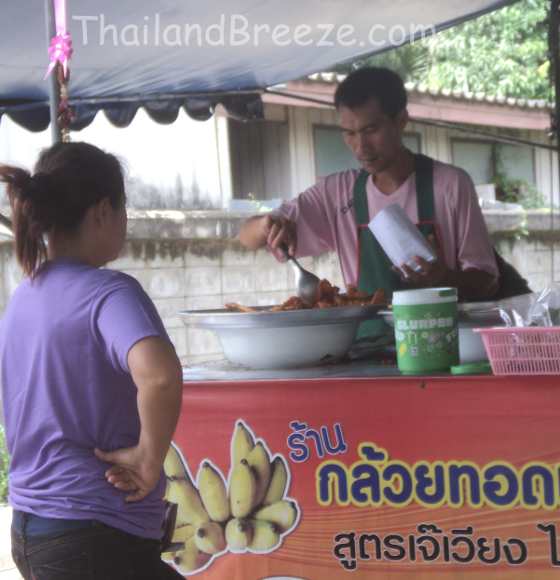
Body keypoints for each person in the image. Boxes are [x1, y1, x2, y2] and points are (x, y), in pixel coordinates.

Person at [0, 142, 184, 579]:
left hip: (33, 530)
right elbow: (158, 377)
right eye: (124, 208)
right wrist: (148, 458)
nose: (125, 221)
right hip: (93, 530)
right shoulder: (109, 292)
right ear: (103, 210)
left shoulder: (24, 296)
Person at [239, 67, 524, 303]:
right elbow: (246, 236)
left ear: (401, 121)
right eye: (349, 133)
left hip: (442, 349)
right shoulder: (338, 194)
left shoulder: (450, 185)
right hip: (366, 353)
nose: (360, 147)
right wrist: (267, 223)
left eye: (370, 130)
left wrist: (443, 278)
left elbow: (486, 282)